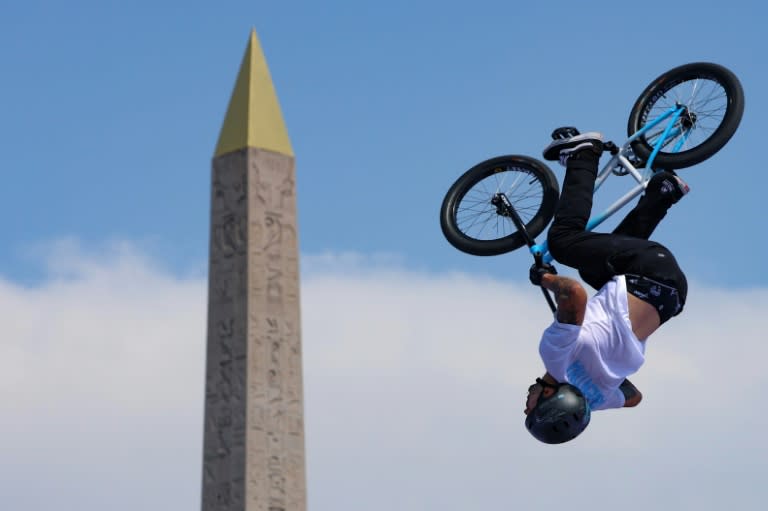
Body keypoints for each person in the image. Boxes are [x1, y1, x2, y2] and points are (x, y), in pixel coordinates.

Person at [523, 129, 689, 444]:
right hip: (647, 270)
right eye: (531, 410)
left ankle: (664, 191)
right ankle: (583, 155)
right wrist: (544, 278)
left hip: (671, 296)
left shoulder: (598, 399)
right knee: (563, 242)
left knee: (593, 270)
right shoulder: (555, 356)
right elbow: (574, 294)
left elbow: (634, 397)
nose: (525, 408)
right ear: (547, 396)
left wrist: (604, 374)